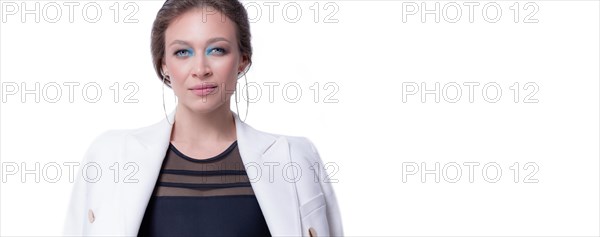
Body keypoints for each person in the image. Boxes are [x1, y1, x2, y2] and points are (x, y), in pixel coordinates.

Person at [62, 0, 343, 236]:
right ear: (164, 64)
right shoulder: (110, 156)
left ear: (243, 58)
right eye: (182, 52)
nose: (200, 69)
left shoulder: (294, 158)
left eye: (217, 49)